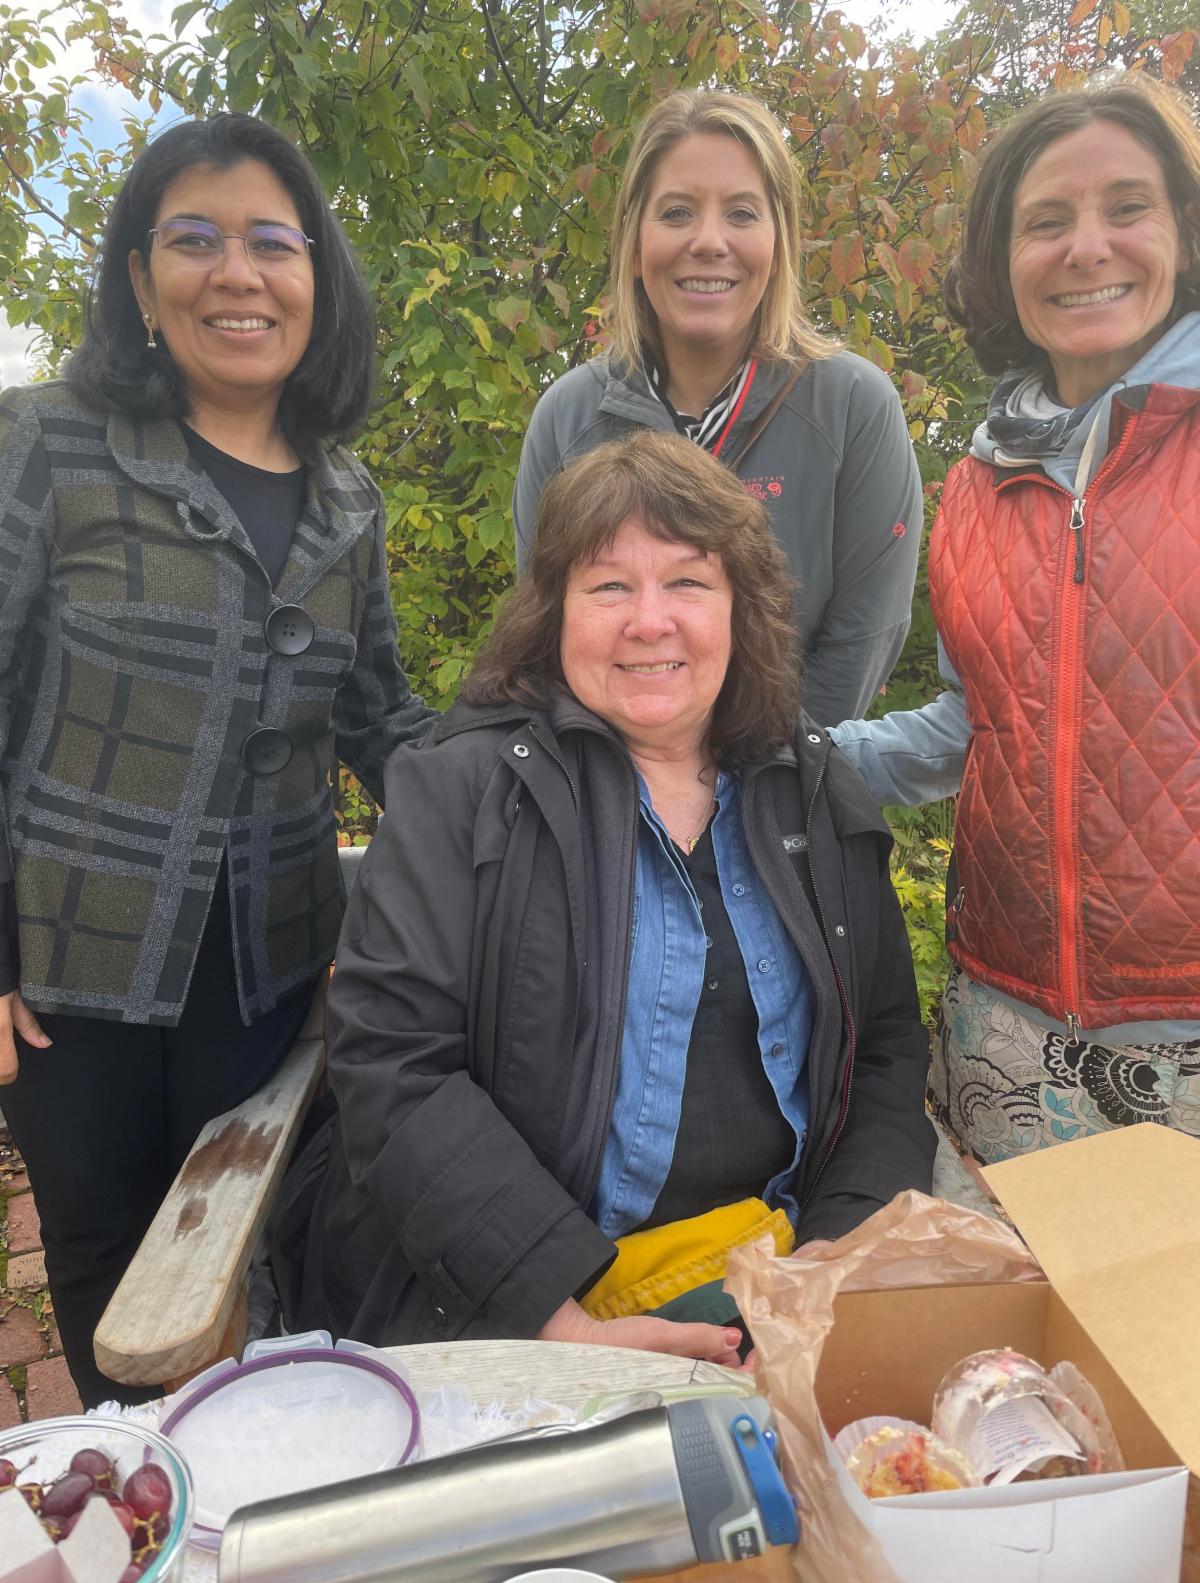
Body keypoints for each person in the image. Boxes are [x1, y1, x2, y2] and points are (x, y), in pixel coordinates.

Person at [293, 430, 933, 1361]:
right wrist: (563, 1323)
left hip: (779, 1285)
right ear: (553, 610)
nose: (650, 621)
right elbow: (395, 1063)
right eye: (608, 587)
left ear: (741, 609)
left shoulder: (814, 792)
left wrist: (835, 1254)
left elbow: (884, 1048)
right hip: (514, 1309)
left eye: (688, 582)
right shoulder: (458, 790)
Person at [0, 113, 435, 1405]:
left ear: (317, 279)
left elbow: (382, 720)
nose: (235, 273)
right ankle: (147, 1485)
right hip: (71, 967)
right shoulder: (49, 444)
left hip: (268, 972)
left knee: (245, 1254)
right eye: (193, 239)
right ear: (142, 279)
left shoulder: (348, 500)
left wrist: (525, 802)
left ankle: (247, 1464)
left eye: (270, 243)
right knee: (105, 1261)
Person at [830, 76, 1200, 1166]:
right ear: (1002, 260)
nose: (1087, 248)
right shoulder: (977, 489)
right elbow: (972, 727)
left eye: (1127, 207)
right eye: (1046, 221)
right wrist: (782, 760)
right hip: (1007, 1030)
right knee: (1001, 1290)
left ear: (1182, 232)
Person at [512, 89, 922, 728]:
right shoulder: (566, 418)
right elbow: (549, 631)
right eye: (677, 212)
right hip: (602, 778)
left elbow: (862, 638)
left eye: (742, 213)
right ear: (634, 241)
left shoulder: (853, 406)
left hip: (787, 771)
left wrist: (768, 775)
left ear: (779, 242)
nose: (708, 241)